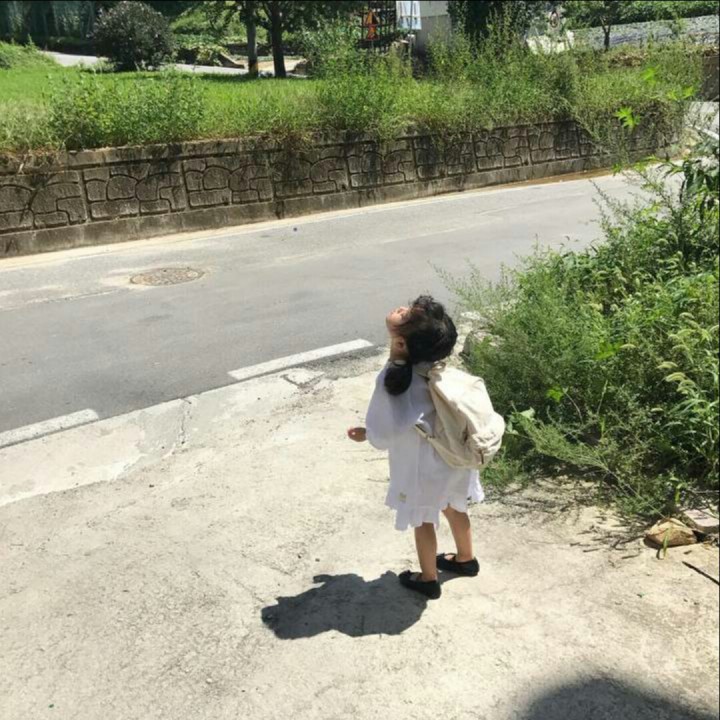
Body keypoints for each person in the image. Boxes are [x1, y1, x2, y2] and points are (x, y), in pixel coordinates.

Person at [348, 296, 484, 600]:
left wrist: (368, 434)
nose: (401, 309)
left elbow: (384, 432)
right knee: (454, 506)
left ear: (400, 344)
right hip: (454, 456)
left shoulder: (395, 380)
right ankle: (465, 559)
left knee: (423, 519)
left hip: (422, 464)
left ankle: (427, 578)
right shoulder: (438, 370)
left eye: (407, 315)